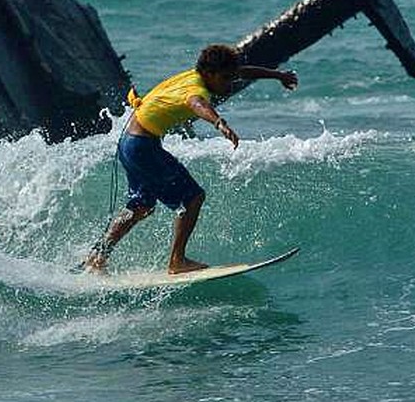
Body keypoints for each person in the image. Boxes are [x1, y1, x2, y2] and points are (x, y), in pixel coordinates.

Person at [83, 44, 298, 275]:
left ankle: (97, 256)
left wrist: (278, 75)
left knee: (141, 207)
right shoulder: (197, 90)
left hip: (128, 142)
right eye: (225, 78)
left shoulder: (196, 75)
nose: (228, 84)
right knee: (192, 198)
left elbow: (242, 71)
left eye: (230, 78)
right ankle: (177, 261)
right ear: (210, 74)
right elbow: (197, 104)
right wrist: (218, 122)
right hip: (142, 146)